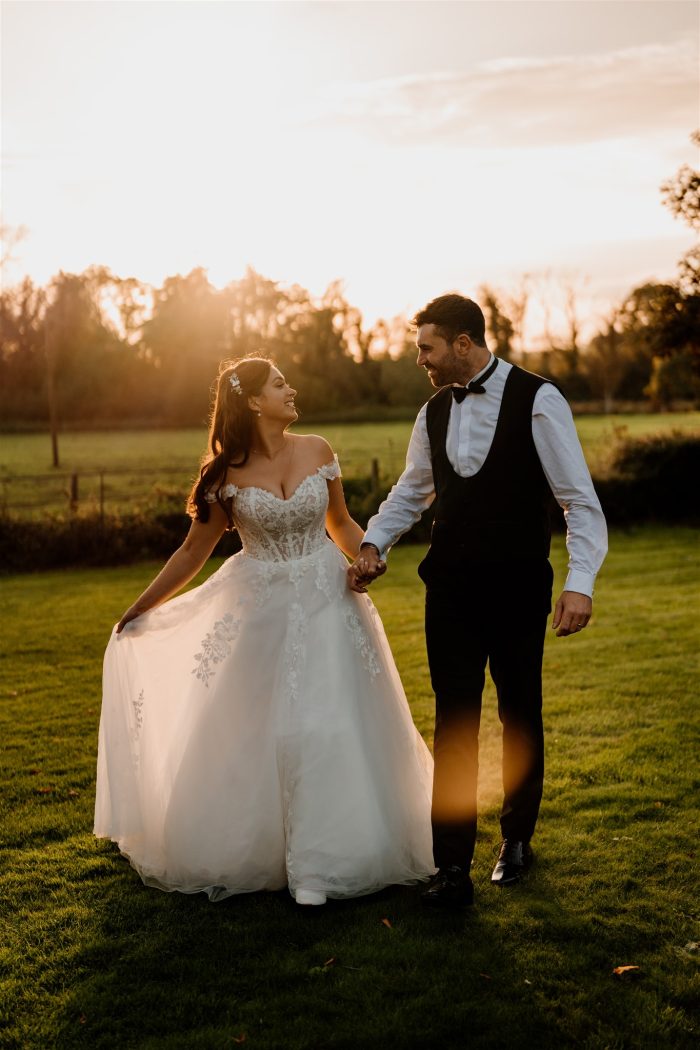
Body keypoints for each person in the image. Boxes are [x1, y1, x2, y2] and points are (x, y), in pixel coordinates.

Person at [94, 356, 434, 906]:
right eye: (279, 384)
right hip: (261, 612)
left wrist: (367, 554)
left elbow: (341, 523)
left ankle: (324, 864)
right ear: (254, 401)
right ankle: (270, 851)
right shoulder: (224, 476)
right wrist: (138, 608)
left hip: (329, 600)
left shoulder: (318, 450)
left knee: (329, 724)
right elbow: (191, 552)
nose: (290, 389)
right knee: (271, 731)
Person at [348, 294, 607, 907]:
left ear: (463, 343)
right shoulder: (433, 411)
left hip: (519, 586)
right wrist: (372, 543)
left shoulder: (538, 399)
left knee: (519, 712)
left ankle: (516, 839)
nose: (421, 359)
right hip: (452, 589)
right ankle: (452, 866)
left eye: (427, 347)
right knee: (454, 720)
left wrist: (580, 582)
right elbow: (412, 491)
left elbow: (579, 500)